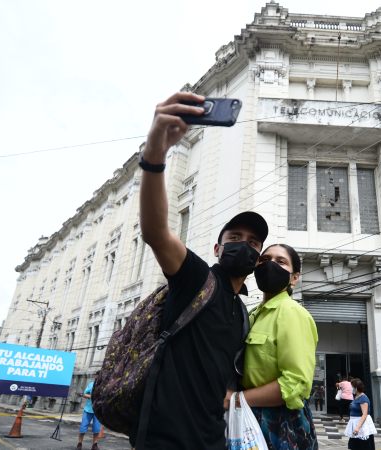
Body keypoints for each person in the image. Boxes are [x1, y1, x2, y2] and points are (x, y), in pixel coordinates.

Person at [136, 91, 268, 450]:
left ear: (258, 258)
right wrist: (155, 154)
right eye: (235, 238)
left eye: (253, 242)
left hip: (214, 439)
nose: (244, 244)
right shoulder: (197, 278)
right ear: (217, 249)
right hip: (165, 442)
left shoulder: (241, 311)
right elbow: (156, 232)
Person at [235, 244, 318, 449]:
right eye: (264, 260)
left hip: (281, 425)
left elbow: (295, 384)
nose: (270, 264)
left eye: (281, 261)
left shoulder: (292, 313)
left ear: (294, 278)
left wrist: (235, 399)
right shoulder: (253, 314)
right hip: (248, 417)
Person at [345, 379, 375, 450]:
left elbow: (364, 414)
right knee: (354, 445)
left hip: (361, 425)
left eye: (352, 387)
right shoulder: (356, 397)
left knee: (362, 445)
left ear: (356, 387)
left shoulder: (363, 398)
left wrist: (357, 428)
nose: (351, 389)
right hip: (355, 423)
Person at [78, 372, 102, 450]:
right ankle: (79, 443)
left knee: (97, 429)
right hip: (88, 410)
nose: (98, 377)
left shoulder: (103, 386)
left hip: (98, 411)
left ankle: (94, 445)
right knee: (83, 428)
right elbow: (84, 394)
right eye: (97, 376)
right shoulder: (91, 384)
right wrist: (92, 396)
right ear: (95, 376)